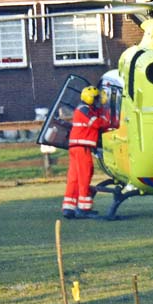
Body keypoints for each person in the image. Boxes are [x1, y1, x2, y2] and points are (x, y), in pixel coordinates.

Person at [62, 86, 109, 219]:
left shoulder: (83, 109)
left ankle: (68, 208)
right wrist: (108, 118)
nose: (97, 101)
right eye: (95, 98)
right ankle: (84, 208)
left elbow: (96, 114)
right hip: (82, 148)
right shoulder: (85, 110)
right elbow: (98, 123)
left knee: (74, 178)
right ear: (90, 98)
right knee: (84, 176)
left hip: (76, 147)